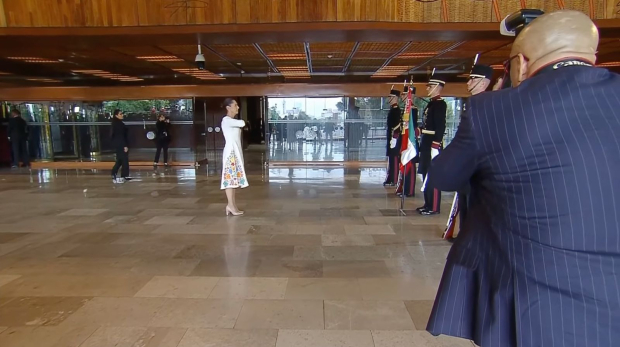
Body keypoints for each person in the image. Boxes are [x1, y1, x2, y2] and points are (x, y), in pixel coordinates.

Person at [426, 10, 620, 347]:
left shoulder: (493, 109)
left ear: (521, 64)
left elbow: (444, 174)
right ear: (592, 55)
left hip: (539, 303)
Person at [444, 64, 494, 238]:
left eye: (473, 78)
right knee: (464, 203)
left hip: (479, 165)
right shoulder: (471, 103)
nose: (469, 82)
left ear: (483, 82)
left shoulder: (488, 103)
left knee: (474, 206)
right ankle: (465, 236)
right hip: (467, 165)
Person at [417, 76, 446, 215]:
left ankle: (434, 206)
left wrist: (436, 144)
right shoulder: (431, 104)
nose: (427, 88)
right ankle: (427, 203)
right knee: (425, 174)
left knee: (432, 175)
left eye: (430, 86)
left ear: (437, 87)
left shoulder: (440, 104)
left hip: (433, 144)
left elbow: (440, 127)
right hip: (426, 142)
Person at [221, 98, 248, 216]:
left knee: (233, 179)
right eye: (235, 105)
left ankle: (232, 205)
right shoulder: (226, 120)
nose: (237, 107)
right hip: (231, 153)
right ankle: (230, 205)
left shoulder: (231, 121)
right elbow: (242, 123)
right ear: (228, 108)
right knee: (229, 179)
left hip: (235, 152)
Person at [383, 88, 401, 186]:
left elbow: (397, 125)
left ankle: (394, 179)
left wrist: (394, 138)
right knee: (391, 159)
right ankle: (390, 178)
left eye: (390, 97)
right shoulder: (392, 109)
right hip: (391, 137)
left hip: (394, 138)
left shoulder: (396, 110)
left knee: (394, 159)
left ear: (395, 98)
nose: (389, 99)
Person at [110, 109, 130, 183]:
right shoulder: (118, 125)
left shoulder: (117, 123)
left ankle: (114, 172)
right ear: (116, 115)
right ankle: (124, 175)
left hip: (119, 144)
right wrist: (124, 145)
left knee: (120, 159)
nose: (122, 115)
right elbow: (121, 136)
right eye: (120, 114)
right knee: (124, 159)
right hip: (121, 144)